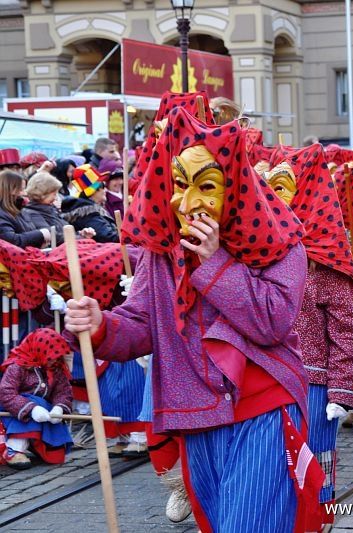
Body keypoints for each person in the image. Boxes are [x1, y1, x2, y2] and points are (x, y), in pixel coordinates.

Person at [64, 106, 323, 533]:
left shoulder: (279, 238)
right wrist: (99, 325)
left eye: (206, 186)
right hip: (194, 413)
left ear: (235, 187)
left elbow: (274, 321)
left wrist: (215, 263)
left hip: (262, 406)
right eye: (180, 183)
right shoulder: (161, 246)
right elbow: (144, 323)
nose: (188, 202)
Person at [266, 144, 353, 523]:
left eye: (285, 189)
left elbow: (346, 333)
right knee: (275, 470)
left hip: (315, 388)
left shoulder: (325, 263)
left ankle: (317, 521)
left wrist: (341, 389)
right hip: (272, 383)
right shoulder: (262, 250)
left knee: (317, 467)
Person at [0, 328, 73, 470]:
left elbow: (63, 391)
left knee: (56, 455)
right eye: (52, 357)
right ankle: (14, 447)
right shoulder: (18, 366)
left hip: (43, 414)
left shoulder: (55, 368)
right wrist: (31, 408)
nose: (56, 361)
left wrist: (59, 407)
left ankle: (35, 442)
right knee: (37, 401)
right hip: (13, 413)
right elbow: (6, 393)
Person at [60, 165, 119, 243]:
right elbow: (107, 236)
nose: (105, 190)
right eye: (103, 186)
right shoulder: (88, 213)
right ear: (94, 191)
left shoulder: (90, 209)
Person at [0, 170, 50, 248]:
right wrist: (40, 234)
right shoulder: (3, 213)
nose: (25, 193)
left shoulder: (19, 208)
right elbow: (12, 242)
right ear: (10, 190)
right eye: (21, 190)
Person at [21, 172, 73, 246]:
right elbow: (53, 237)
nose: (55, 198)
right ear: (43, 193)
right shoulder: (31, 213)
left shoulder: (51, 209)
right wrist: (79, 237)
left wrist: (81, 233)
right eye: (54, 194)